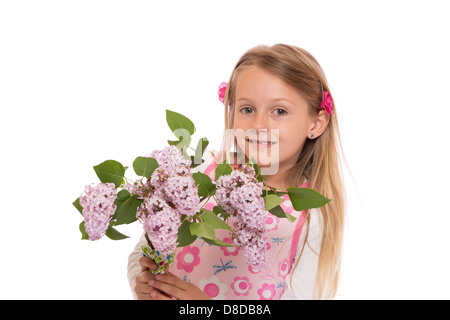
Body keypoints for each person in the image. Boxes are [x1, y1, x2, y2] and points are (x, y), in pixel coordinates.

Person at [127, 44, 346, 300]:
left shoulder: (312, 217)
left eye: (279, 111)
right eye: (247, 109)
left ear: (316, 123)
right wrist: (141, 282)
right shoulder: (199, 170)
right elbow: (141, 253)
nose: (259, 124)